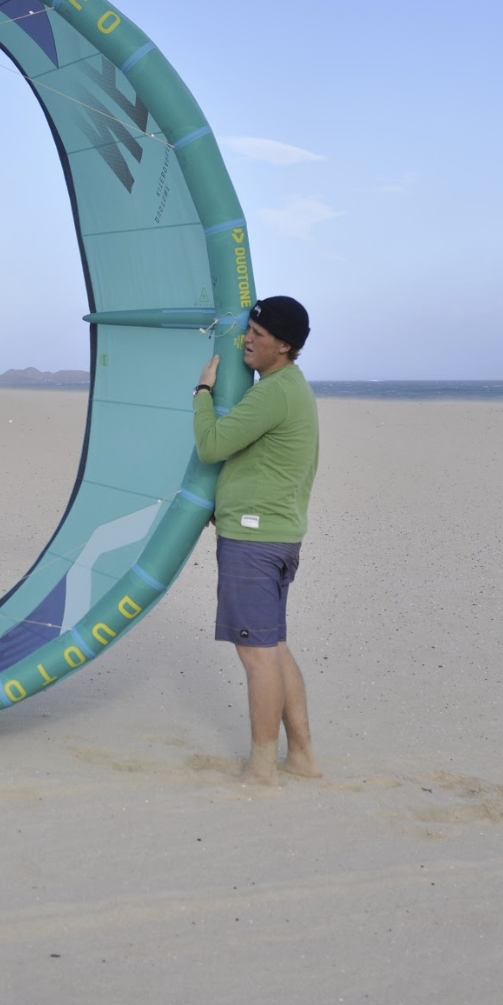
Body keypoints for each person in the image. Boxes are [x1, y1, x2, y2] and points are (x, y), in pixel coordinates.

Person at [192, 296, 320, 786]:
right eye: (249, 329)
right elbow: (257, 462)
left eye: (258, 334)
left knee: (257, 655)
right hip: (277, 536)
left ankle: (262, 770)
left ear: (284, 346)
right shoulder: (292, 387)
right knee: (275, 647)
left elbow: (212, 446)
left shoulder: (273, 392)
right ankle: (302, 757)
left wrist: (203, 392)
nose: (247, 339)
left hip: (254, 539)